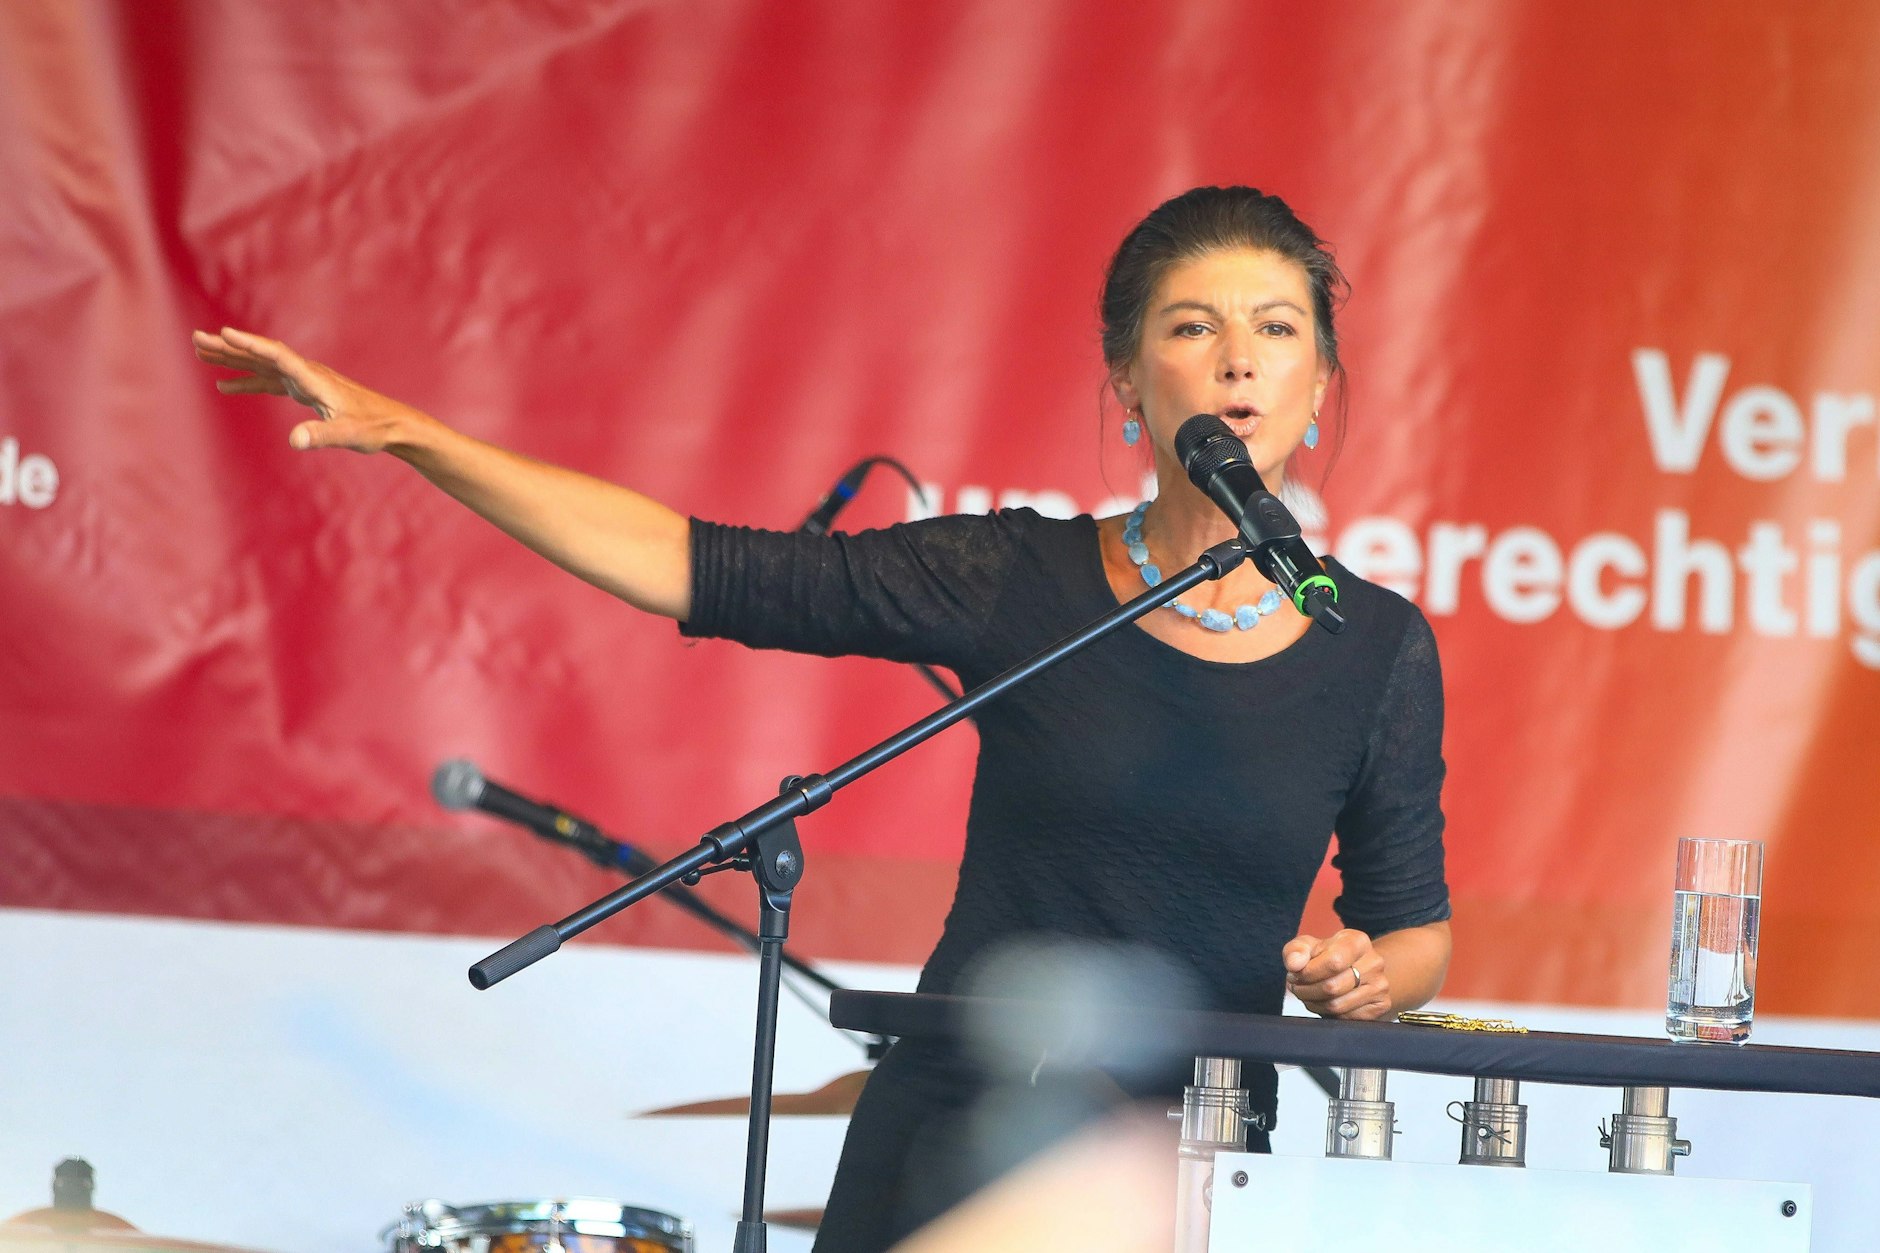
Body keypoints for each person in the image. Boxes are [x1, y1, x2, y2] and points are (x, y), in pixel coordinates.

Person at [193, 185, 1452, 1251]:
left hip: (1177, 1166)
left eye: (1275, 328)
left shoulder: (1378, 645)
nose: (1238, 357)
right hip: (956, 1125)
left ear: (1318, 382)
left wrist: (1362, 975)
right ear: (1129, 378)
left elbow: (1412, 932)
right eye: (1194, 325)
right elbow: (701, 566)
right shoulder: (1022, 578)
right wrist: (414, 434)